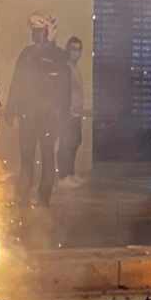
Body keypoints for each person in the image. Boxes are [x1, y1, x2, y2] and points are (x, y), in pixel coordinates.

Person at [8, 13, 70, 207]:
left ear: (47, 33)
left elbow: (65, 89)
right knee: (26, 159)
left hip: (49, 119)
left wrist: (63, 117)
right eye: (34, 32)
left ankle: (43, 199)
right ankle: (23, 198)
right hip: (28, 117)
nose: (36, 36)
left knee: (47, 157)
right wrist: (11, 110)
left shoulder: (58, 56)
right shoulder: (26, 55)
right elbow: (16, 83)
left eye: (40, 32)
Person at [58, 36, 86, 190]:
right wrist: (66, 109)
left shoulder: (76, 67)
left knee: (75, 142)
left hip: (76, 113)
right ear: (68, 50)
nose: (76, 52)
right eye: (73, 49)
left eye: (79, 49)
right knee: (66, 144)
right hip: (68, 113)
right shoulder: (66, 68)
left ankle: (70, 173)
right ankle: (63, 176)